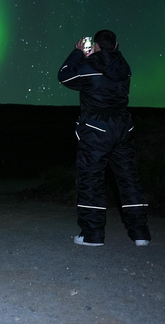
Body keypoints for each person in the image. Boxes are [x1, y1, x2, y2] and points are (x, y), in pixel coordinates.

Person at [57, 29, 151, 247]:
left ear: (95, 46)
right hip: (123, 126)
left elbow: (65, 75)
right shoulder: (125, 68)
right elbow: (109, 69)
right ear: (116, 46)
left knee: (91, 178)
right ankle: (140, 234)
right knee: (129, 178)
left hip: (96, 127)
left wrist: (79, 53)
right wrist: (97, 56)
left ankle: (92, 235)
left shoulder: (88, 67)